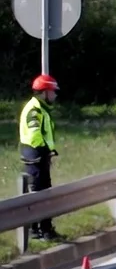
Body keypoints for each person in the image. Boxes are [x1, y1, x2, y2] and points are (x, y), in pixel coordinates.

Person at [20, 74, 61, 241]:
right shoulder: (35, 110)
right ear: (44, 92)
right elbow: (34, 134)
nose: (55, 95)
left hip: (40, 155)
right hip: (35, 155)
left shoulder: (40, 108)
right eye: (52, 92)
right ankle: (39, 230)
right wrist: (45, 149)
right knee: (38, 193)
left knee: (43, 192)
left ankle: (44, 229)